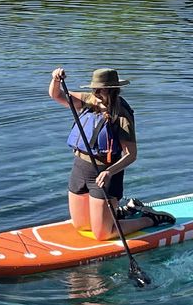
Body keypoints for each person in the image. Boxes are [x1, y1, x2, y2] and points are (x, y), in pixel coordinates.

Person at [49, 66, 170, 241]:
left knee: (102, 234)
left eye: (100, 89)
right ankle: (122, 212)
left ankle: (150, 218)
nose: (96, 92)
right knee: (82, 225)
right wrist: (56, 80)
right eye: (94, 88)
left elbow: (131, 154)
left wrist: (109, 172)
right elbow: (57, 95)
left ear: (112, 90)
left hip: (105, 174)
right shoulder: (88, 101)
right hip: (80, 169)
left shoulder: (122, 115)